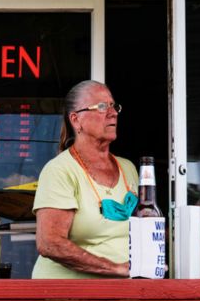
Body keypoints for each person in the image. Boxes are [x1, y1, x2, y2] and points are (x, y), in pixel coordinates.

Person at [32, 80, 138, 278]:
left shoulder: (128, 168)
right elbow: (49, 243)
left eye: (114, 106)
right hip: (68, 297)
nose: (113, 112)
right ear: (76, 120)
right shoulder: (60, 170)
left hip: (121, 295)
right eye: (101, 107)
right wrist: (114, 268)